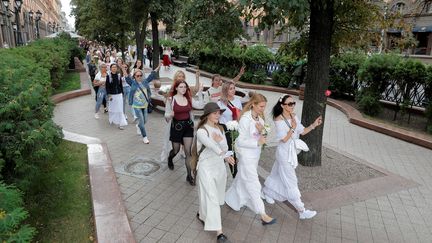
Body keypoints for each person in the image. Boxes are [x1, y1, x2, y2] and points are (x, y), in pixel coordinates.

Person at [262, 95, 322, 219]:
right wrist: (293, 128)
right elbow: (283, 139)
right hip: (284, 154)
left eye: (293, 103)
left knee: (276, 174)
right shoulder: (278, 119)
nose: (293, 106)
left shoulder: (294, 116)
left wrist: (314, 125)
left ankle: (266, 192)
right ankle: (301, 210)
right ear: (283, 105)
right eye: (289, 104)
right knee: (291, 181)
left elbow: (303, 131)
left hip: (291, 153)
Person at [225, 93, 276, 225]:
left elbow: (263, 135)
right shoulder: (245, 119)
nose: (262, 109)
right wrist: (257, 142)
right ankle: (262, 213)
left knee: (242, 178)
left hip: (255, 156)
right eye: (261, 106)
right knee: (253, 182)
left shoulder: (260, 118)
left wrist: (262, 131)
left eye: (264, 107)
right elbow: (240, 141)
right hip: (246, 155)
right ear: (253, 104)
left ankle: (231, 199)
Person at [196, 102, 235, 243]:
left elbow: (224, 147)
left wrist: (223, 145)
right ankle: (220, 233)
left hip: (219, 167)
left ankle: (202, 214)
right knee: (211, 196)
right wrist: (224, 154)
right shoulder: (201, 131)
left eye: (219, 113)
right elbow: (211, 145)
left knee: (215, 196)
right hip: (205, 167)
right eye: (215, 113)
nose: (218, 115)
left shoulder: (220, 129)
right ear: (207, 115)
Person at [163, 75, 203, 185]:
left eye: (185, 87)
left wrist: (200, 92)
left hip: (188, 127)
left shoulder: (189, 98)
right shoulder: (171, 99)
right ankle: (170, 158)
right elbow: (166, 115)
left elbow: (200, 105)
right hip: (176, 127)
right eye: (181, 87)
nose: (183, 89)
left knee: (188, 152)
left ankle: (189, 176)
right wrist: (170, 115)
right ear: (176, 88)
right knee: (175, 150)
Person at [123, 63, 161, 143]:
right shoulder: (133, 83)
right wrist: (123, 69)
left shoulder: (145, 82)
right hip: (137, 106)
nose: (139, 77)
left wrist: (158, 66)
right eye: (137, 76)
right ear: (134, 77)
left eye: (141, 75)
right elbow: (126, 77)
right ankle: (145, 137)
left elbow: (152, 74)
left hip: (145, 105)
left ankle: (138, 126)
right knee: (142, 122)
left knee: (145, 121)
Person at [217, 81, 242, 178]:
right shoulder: (220, 103)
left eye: (234, 88)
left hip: (235, 129)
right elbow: (217, 119)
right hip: (225, 130)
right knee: (231, 151)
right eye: (230, 88)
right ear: (225, 90)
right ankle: (234, 174)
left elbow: (239, 116)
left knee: (235, 151)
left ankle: (233, 171)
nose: (233, 90)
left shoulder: (238, 101)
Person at [105, 63, 127, 129]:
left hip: (119, 94)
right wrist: (109, 95)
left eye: (115, 67)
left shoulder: (118, 75)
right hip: (112, 95)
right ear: (111, 68)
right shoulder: (108, 76)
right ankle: (112, 119)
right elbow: (107, 87)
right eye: (113, 67)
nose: (114, 68)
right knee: (112, 108)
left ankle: (121, 123)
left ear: (117, 68)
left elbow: (120, 85)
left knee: (120, 109)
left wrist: (122, 93)